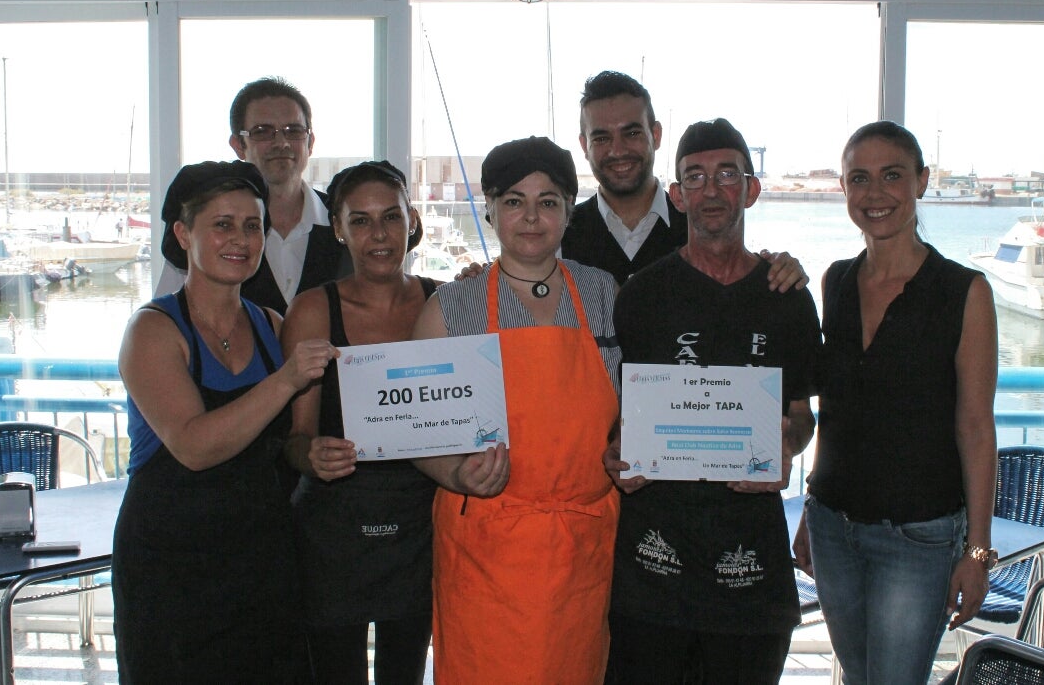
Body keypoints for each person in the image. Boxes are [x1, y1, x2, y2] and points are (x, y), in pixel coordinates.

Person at [604, 118, 821, 684]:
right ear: (677, 196)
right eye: (695, 177)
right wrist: (616, 453)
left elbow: (802, 416)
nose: (711, 190)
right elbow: (617, 415)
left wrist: (787, 446)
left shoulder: (788, 298)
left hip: (750, 570)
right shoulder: (642, 295)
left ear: (751, 188)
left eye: (727, 174)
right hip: (652, 566)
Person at [112, 160, 336, 683]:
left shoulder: (271, 326)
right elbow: (193, 447)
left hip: (262, 557)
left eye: (252, 225)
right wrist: (285, 380)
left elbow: (289, 439)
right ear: (183, 234)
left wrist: (316, 453)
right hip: (169, 564)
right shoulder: (152, 330)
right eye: (222, 224)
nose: (240, 239)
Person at [792, 120, 998, 685]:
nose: (874, 193)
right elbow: (837, 414)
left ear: (921, 182)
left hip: (919, 538)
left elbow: (976, 428)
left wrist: (977, 551)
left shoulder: (964, 292)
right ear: (843, 188)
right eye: (859, 178)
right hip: (832, 528)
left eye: (892, 176)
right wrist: (811, 508)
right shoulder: (836, 282)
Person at [411, 136, 621, 684]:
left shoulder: (604, 294)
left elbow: (633, 407)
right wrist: (456, 473)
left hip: (580, 546)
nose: (530, 217)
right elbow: (416, 434)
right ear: (490, 209)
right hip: (485, 549)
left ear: (569, 211)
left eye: (547, 202)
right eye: (513, 201)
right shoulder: (450, 307)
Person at [281, 160, 438, 684]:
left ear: (411, 220)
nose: (379, 235)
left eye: (391, 217)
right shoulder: (312, 310)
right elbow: (295, 438)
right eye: (361, 220)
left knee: (405, 673)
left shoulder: (445, 301)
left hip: (419, 522)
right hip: (334, 527)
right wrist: (312, 456)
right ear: (338, 229)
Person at [565, 69, 808, 291]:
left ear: (656, 135)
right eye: (601, 138)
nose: (618, 150)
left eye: (632, 133)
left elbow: (741, 274)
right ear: (584, 145)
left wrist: (780, 270)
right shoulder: (559, 234)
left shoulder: (703, 223)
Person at [155, 77, 349, 312]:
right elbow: (166, 316)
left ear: (310, 142)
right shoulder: (206, 232)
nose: (281, 143)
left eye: (294, 131)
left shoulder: (348, 222)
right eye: (263, 132)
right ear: (238, 145)